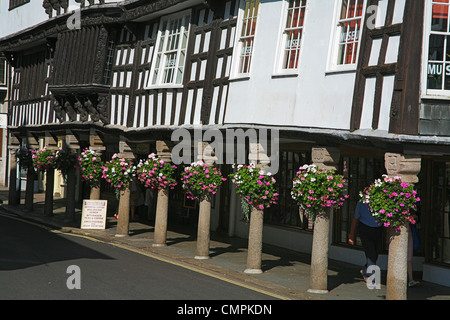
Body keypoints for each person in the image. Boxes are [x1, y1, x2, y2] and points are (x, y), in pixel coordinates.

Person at [349, 201, 383, 282]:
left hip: (378, 229)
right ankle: (373, 278)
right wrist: (351, 235)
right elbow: (355, 219)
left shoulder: (381, 200)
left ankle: (365, 270)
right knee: (371, 253)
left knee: (376, 252)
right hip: (365, 228)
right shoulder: (361, 202)